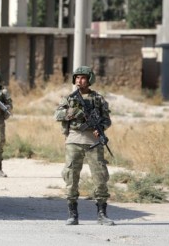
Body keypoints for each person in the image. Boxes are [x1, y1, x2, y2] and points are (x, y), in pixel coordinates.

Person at [54, 66, 115, 226]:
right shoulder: (69, 98)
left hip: (93, 142)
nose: (79, 81)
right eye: (77, 78)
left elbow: (107, 119)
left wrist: (100, 128)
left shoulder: (98, 99)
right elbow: (57, 115)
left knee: (100, 176)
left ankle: (102, 214)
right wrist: (71, 113)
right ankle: (72, 214)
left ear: (89, 80)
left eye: (83, 78)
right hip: (74, 140)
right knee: (71, 176)